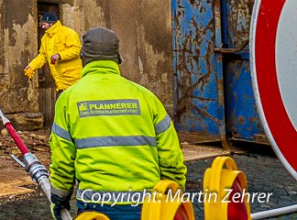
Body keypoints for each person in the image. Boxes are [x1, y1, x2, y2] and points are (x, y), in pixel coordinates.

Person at [48, 27, 186, 220]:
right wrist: (172, 194)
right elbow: (171, 157)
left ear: (83, 59)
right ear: (118, 59)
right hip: (148, 206)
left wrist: (59, 200)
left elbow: (63, 163)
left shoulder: (68, 99)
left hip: (96, 208)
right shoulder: (146, 97)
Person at [24, 12, 81, 92]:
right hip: (60, 81)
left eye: (44, 24)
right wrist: (31, 66)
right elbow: (42, 56)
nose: (42, 27)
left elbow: (76, 50)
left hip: (74, 79)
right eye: (42, 24)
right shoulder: (45, 38)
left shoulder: (68, 33)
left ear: (51, 24)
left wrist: (59, 55)